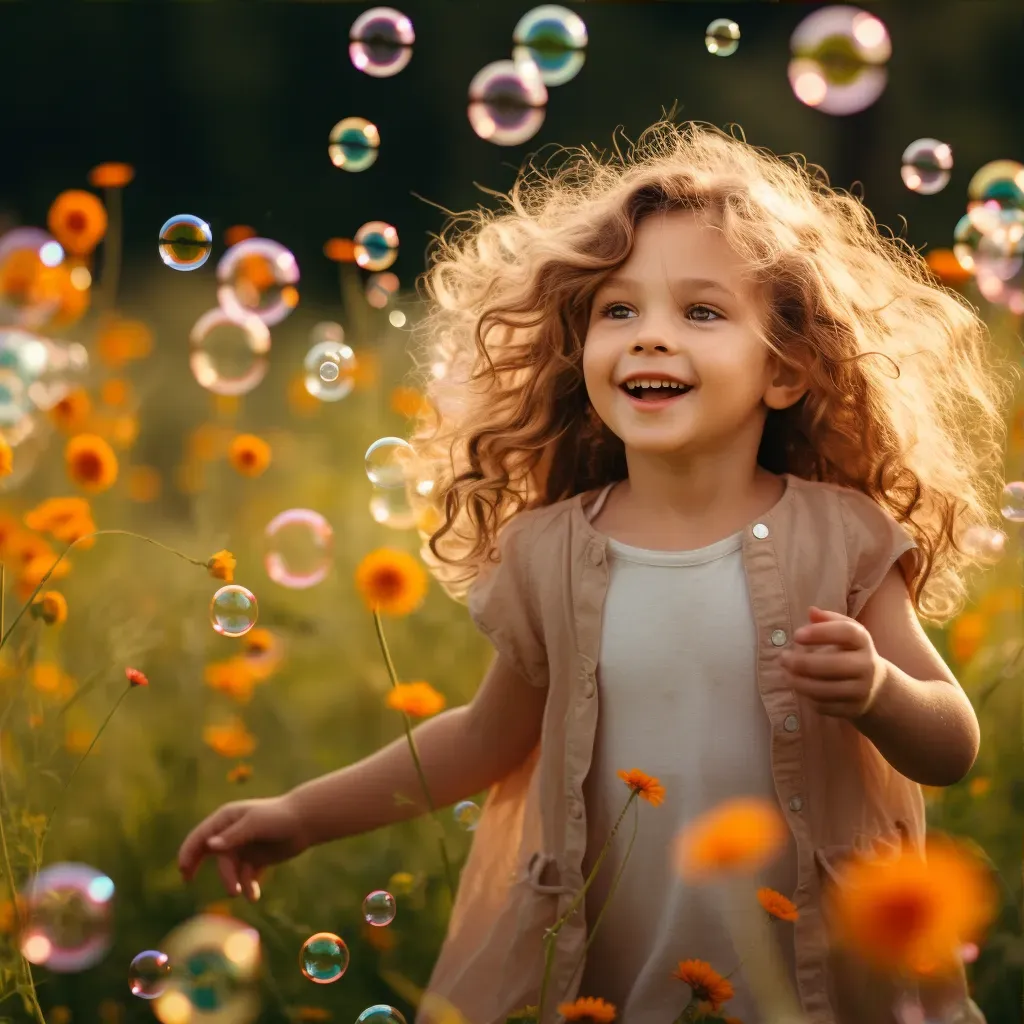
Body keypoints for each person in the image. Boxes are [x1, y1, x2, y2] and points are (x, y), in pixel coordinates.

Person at [179, 121, 1013, 1024]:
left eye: (700, 312)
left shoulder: (842, 538)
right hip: (609, 972)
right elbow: (481, 740)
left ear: (785, 370)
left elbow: (951, 744)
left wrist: (879, 690)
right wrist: (303, 815)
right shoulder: (551, 553)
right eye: (619, 311)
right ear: (579, 355)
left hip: (818, 972)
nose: (650, 338)